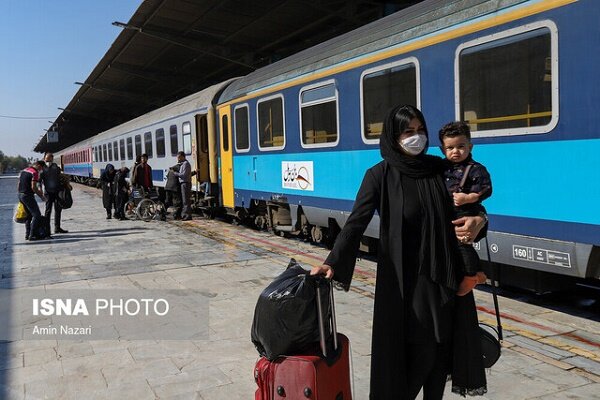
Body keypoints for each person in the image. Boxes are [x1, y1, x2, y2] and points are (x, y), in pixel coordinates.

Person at [310, 105, 487, 399]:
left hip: (446, 277)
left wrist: (480, 220)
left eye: (420, 130)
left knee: (441, 355)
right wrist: (332, 263)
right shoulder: (379, 175)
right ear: (394, 136)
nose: (416, 137)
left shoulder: (440, 170)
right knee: (422, 354)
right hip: (407, 283)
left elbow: (470, 209)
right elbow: (356, 222)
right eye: (408, 131)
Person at [439, 121, 492, 295]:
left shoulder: (476, 169)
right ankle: (477, 272)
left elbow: (486, 188)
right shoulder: (442, 167)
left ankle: (471, 275)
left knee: (462, 243)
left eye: (461, 146)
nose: (455, 151)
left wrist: (469, 197)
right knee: (457, 245)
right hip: (450, 214)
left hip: (466, 212)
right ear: (443, 150)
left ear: (470, 146)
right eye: (450, 148)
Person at [17, 161, 48, 241]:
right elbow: (33, 187)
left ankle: (27, 234)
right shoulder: (34, 173)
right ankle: (32, 235)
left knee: (29, 215)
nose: (40, 170)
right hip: (27, 196)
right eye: (41, 168)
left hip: (21, 194)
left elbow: (18, 184)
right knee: (36, 215)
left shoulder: (24, 170)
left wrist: (20, 194)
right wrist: (41, 196)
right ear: (38, 165)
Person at [39, 152, 68, 234]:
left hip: (57, 192)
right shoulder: (42, 169)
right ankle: (47, 230)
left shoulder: (55, 167)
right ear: (44, 159)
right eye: (47, 159)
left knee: (58, 209)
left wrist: (66, 184)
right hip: (48, 193)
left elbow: (60, 176)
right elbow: (39, 181)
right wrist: (40, 191)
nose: (48, 161)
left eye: (49, 159)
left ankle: (57, 227)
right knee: (48, 211)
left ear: (52, 159)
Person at [171, 151, 196, 221]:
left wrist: (175, 173)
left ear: (183, 157)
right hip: (184, 183)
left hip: (185, 183)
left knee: (186, 200)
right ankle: (185, 214)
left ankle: (187, 216)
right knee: (185, 200)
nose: (178, 159)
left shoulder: (185, 164)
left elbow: (183, 175)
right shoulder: (183, 164)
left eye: (179, 157)